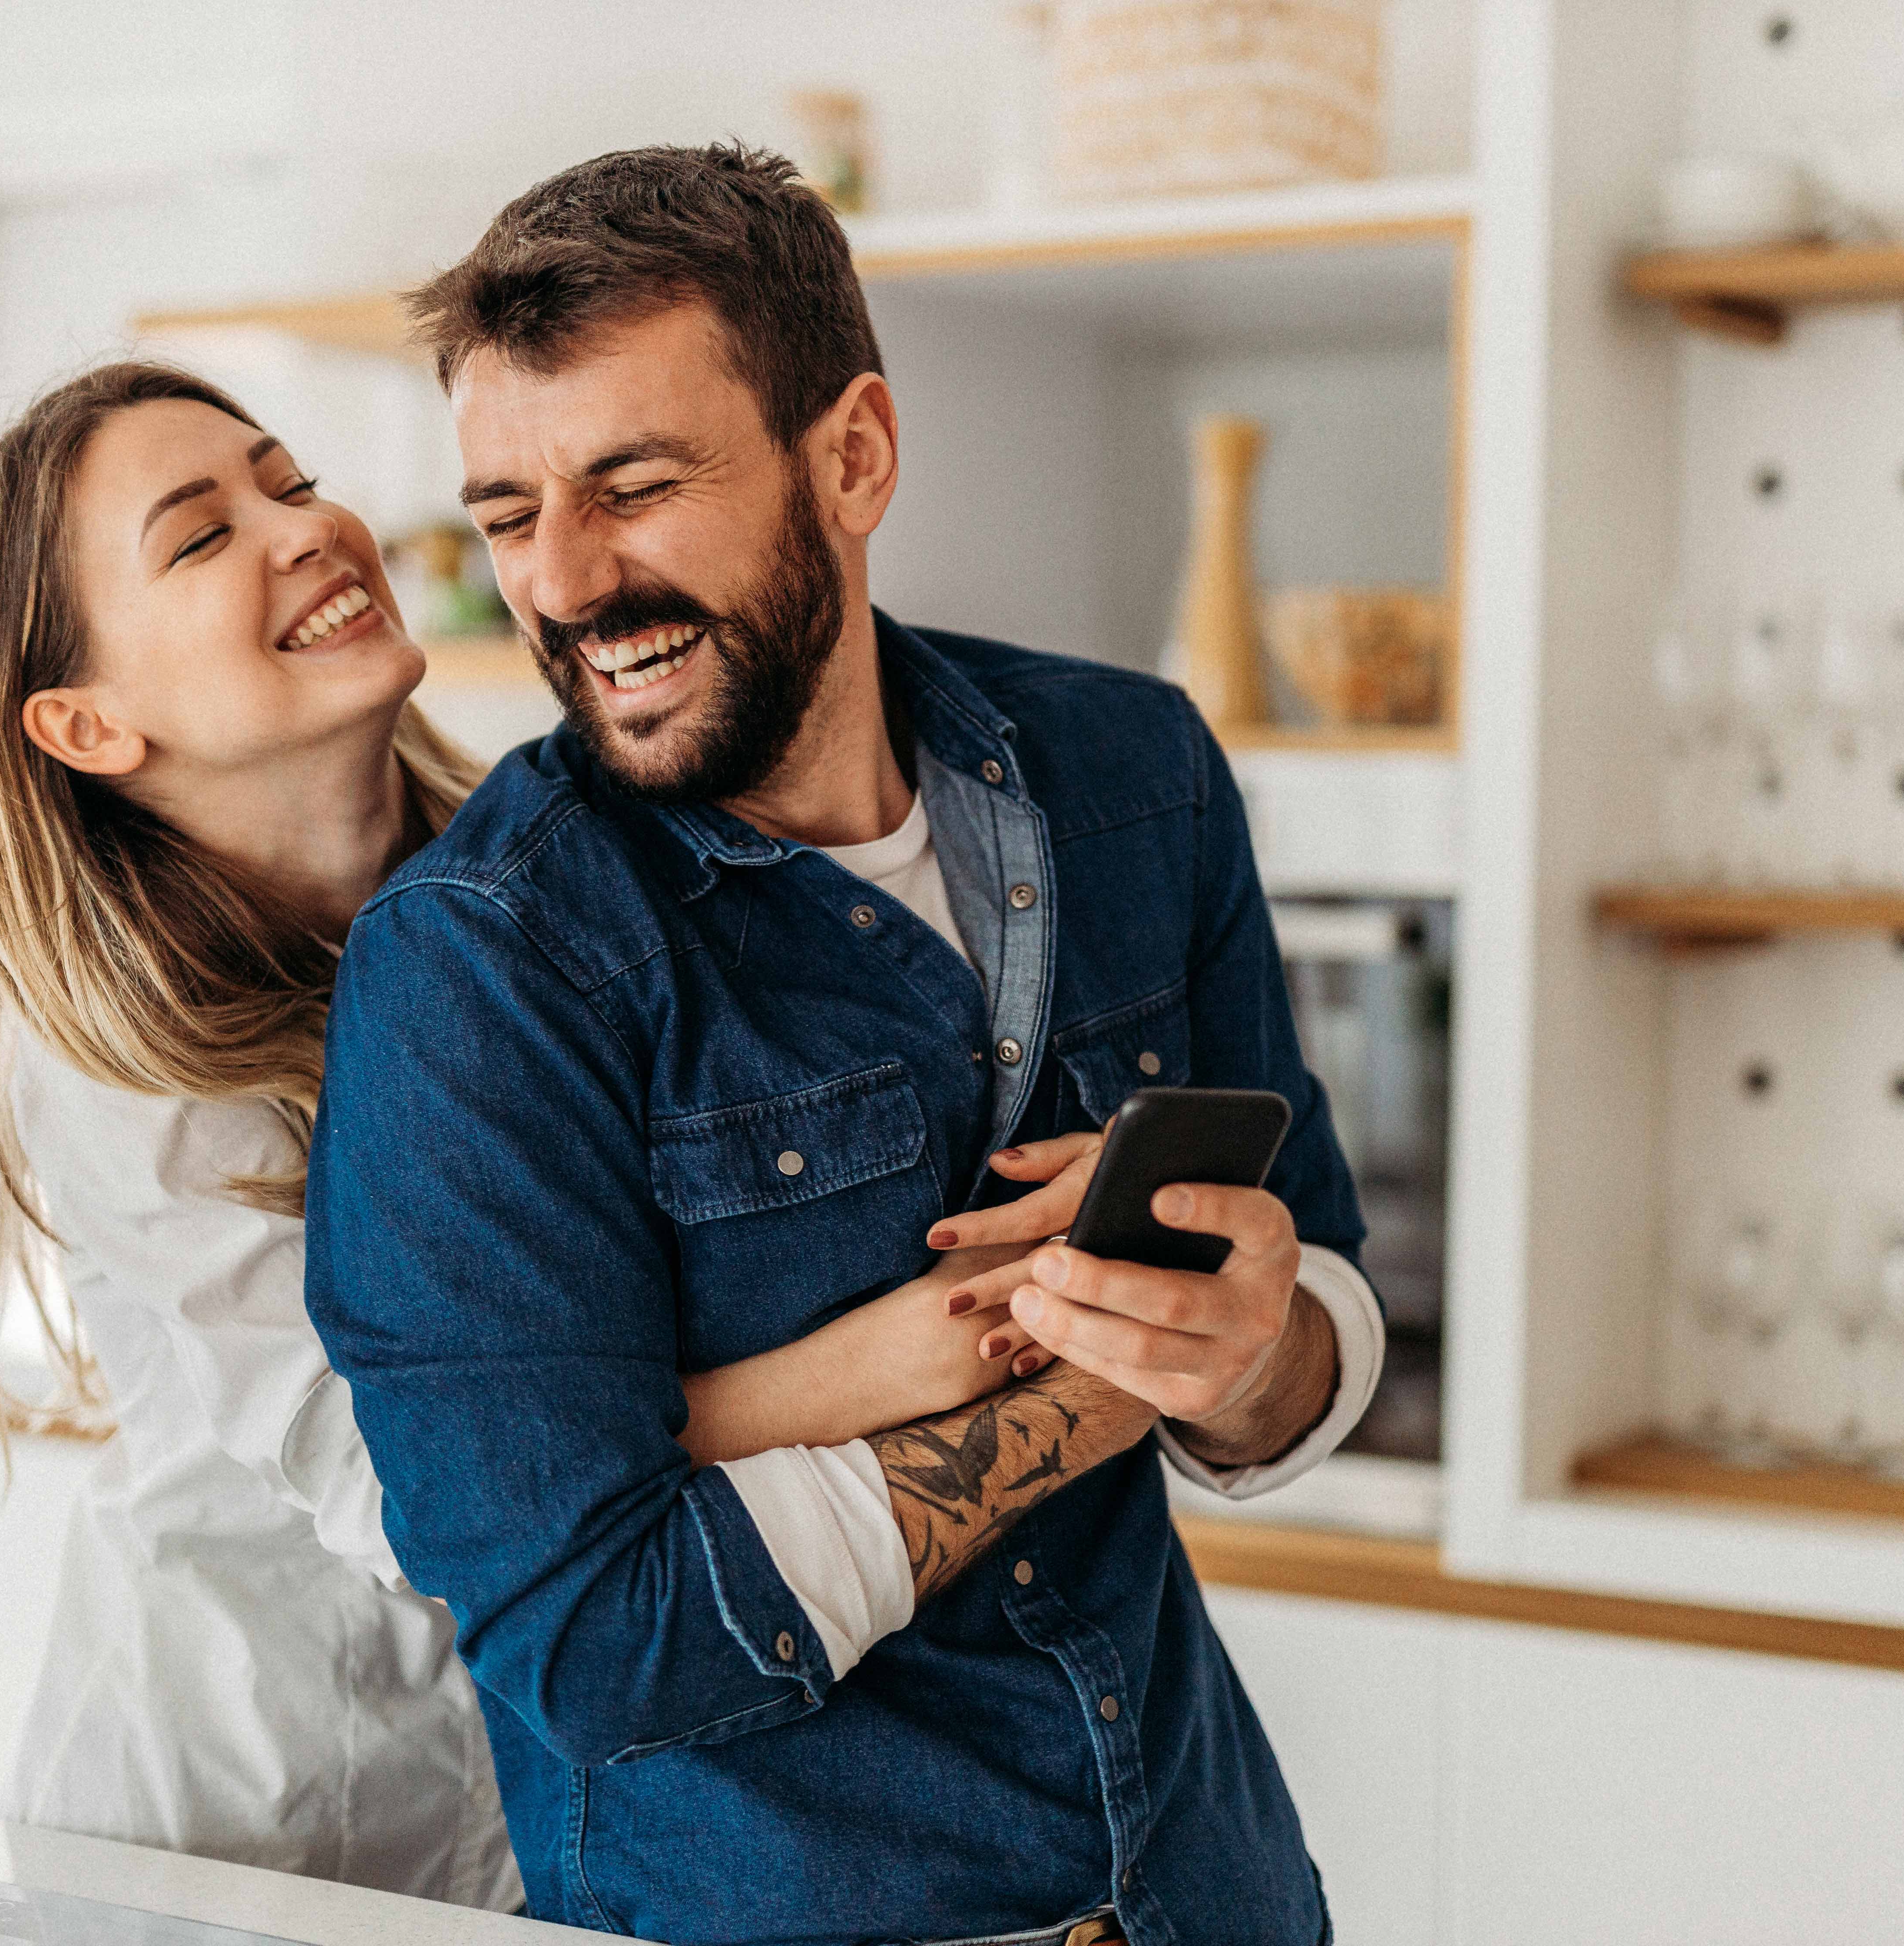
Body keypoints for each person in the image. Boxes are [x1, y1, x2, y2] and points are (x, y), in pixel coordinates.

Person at [306, 145, 1388, 1946]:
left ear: (855, 455)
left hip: (1215, 1892)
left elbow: (1319, 1309)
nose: (564, 584)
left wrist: (1260, 1340)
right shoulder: (480, 968)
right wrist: (1099, 1386)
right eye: (508, 514)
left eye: (633, 486)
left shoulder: (1137, 775)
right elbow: (598, 1638)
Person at [0, 360, 1102, 1906]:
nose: (306, 526)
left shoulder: (544, 888)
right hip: (241, 1826)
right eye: (201, 538)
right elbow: (421, 1491)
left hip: (555, 1804)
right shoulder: (114, 1066)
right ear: (85, 722)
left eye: (287, 477)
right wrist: (884, 1362)